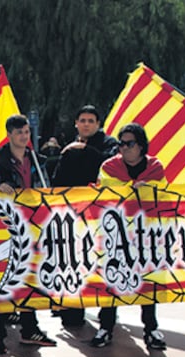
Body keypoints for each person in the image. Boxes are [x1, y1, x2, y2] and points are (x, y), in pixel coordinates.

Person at [0, 114, 57, 353]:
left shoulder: (37, 160)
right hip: (6, 229)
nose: (24, 136)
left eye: (26, 132)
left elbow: (47, 189)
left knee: (30, 278)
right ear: (9, 135)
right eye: (19, 133)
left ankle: (29, 328)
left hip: (33, 228)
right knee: (2, 280)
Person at [92, 123, 167, 351]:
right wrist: (135, 188)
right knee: (111, 280)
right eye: (121, 144)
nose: (123, 148)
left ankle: (151, 329)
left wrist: (136, 190)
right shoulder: (109, 166)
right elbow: (107, 192)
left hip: (146, 236)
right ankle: (105, 327)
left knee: (149, 281)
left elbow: (161, 193)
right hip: (115, 234)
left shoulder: (155, 166)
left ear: (141, 146)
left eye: (129, 143)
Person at [52, 105, 119, 327]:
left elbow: (110, 167)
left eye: (91, 120)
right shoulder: (69, 147)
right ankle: (73, 310)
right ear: (76, 123)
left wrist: (84, 149)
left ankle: (107, 316)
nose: (87, 124)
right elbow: (58, 179)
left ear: (98, 124)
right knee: (75, 261)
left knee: (105, 262)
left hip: (103, 216)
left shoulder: (109, 144)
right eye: (83, 120)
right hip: (74, 216)